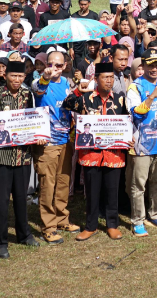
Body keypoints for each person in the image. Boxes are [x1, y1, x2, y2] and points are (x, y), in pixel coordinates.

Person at [62, 61, 127, 240]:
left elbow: (128, 120)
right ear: (96, 79)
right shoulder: (85, 98)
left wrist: (130, 137)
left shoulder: (120, 98)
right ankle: (90, 225)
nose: (109, 81)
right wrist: (78, 89)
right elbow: (66, 105)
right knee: (92, 190)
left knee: (112, 189)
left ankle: (112, 224)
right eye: (105, 77)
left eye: (111, 78)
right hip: (91, 153)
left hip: (114, 153)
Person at [0, 59, 42, 258]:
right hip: (1, 155)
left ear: (24, 77)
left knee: (21, 197)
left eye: (20, 76)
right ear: (5, 76)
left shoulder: (28, 95)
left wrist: (39, 134)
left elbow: (35, 118)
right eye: (13, 76)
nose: (16, 80)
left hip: (23, 154)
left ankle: (24, 234)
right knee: (0, 200)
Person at [31, 49, 76, 244]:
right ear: (46, 65)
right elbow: (38, 89)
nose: (55, 69)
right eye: (51, 65)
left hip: (65, 140)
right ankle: (48, 226)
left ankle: (61, 219)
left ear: (65, 66)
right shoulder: (41, 82)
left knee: (63, 182)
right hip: (47, 143)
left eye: (59, 65)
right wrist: (44, 78)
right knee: (47, 185)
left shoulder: (66, 83)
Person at [127, 47, 157, 236]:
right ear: (143, 65)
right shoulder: (135, 86)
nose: (154, 68)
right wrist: (152, 96)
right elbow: (135, 112)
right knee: (139, 184)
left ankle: (155, 214)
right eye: (150, 64)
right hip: (141, 144)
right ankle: (137, 220)